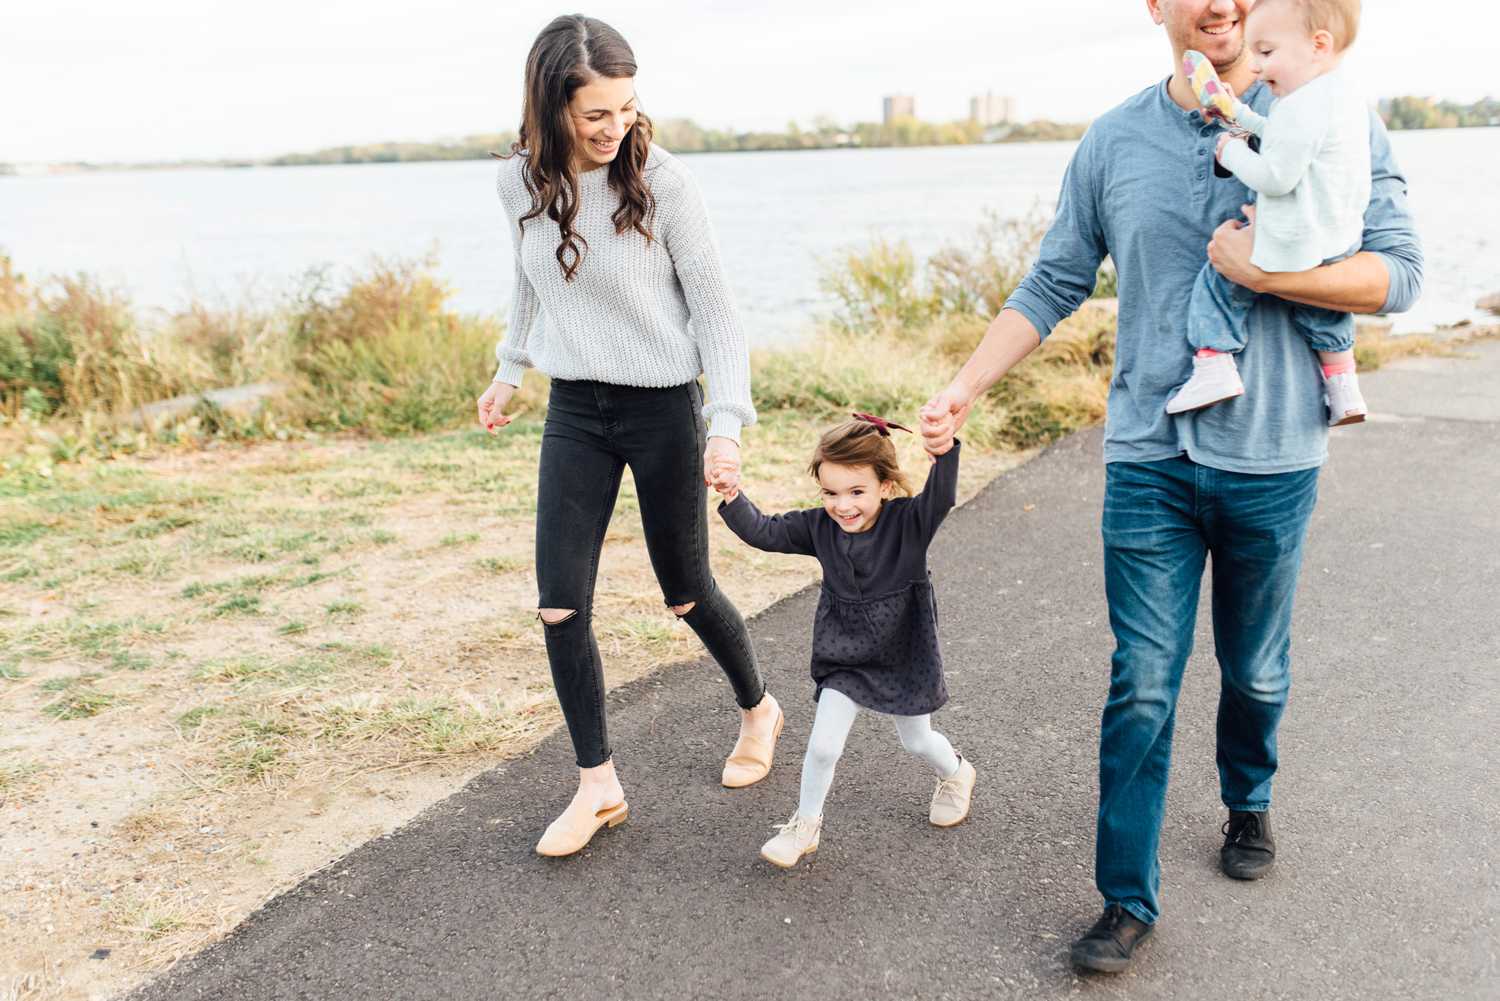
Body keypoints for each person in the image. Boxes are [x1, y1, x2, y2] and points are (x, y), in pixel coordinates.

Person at [919, 0, 1421, 973]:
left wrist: (1265, 274)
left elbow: (1394, 276)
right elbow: (1053, 280)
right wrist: (965, 385)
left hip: (1274, 458)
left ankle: (1249, 792)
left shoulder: (1330, 113)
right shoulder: (1112, 140)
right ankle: (1124, 899)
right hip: (1148, 456)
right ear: (1158, 6)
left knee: (1256, 667)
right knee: (1142, 681)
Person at [475, 14, 782, 858]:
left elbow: (718, 312)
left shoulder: (666, 182)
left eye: (626, 108)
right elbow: (527, 277)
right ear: (550, 106)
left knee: (685, 591)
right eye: (594, 116)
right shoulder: (516, 181)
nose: (615, 129)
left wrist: (727, 423)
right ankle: (597, 785)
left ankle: (759, 706)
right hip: (576, 407)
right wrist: (510, 367)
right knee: (558, 601)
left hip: (660, 408)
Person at [711, 415, 976, 869]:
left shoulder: (909, 523)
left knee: (917, 741)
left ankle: (955, 772)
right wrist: (733, 496)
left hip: (903, 653)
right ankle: (804, 825)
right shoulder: (819, 528)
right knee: (823, 746)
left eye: (856, 492)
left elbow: (943, 495)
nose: (842, 506)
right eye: (830, 493)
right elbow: (766, 531)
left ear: (885, 487)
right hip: (845, 654)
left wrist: (945, 450)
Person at [1166, 0, 1371, 425]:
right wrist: (1239, 115)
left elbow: (1276, 176)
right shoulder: (1339, 95)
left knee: (1219, 282)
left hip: (1294, 236)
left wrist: (1231, 149)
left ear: (1317, 44)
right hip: (1335, 236)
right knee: (1323, 306)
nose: (1256, 67)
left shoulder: (1299, 105)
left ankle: (1214, 365)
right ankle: (1343, 385)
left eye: (1266, 52)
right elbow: (1284, 136)